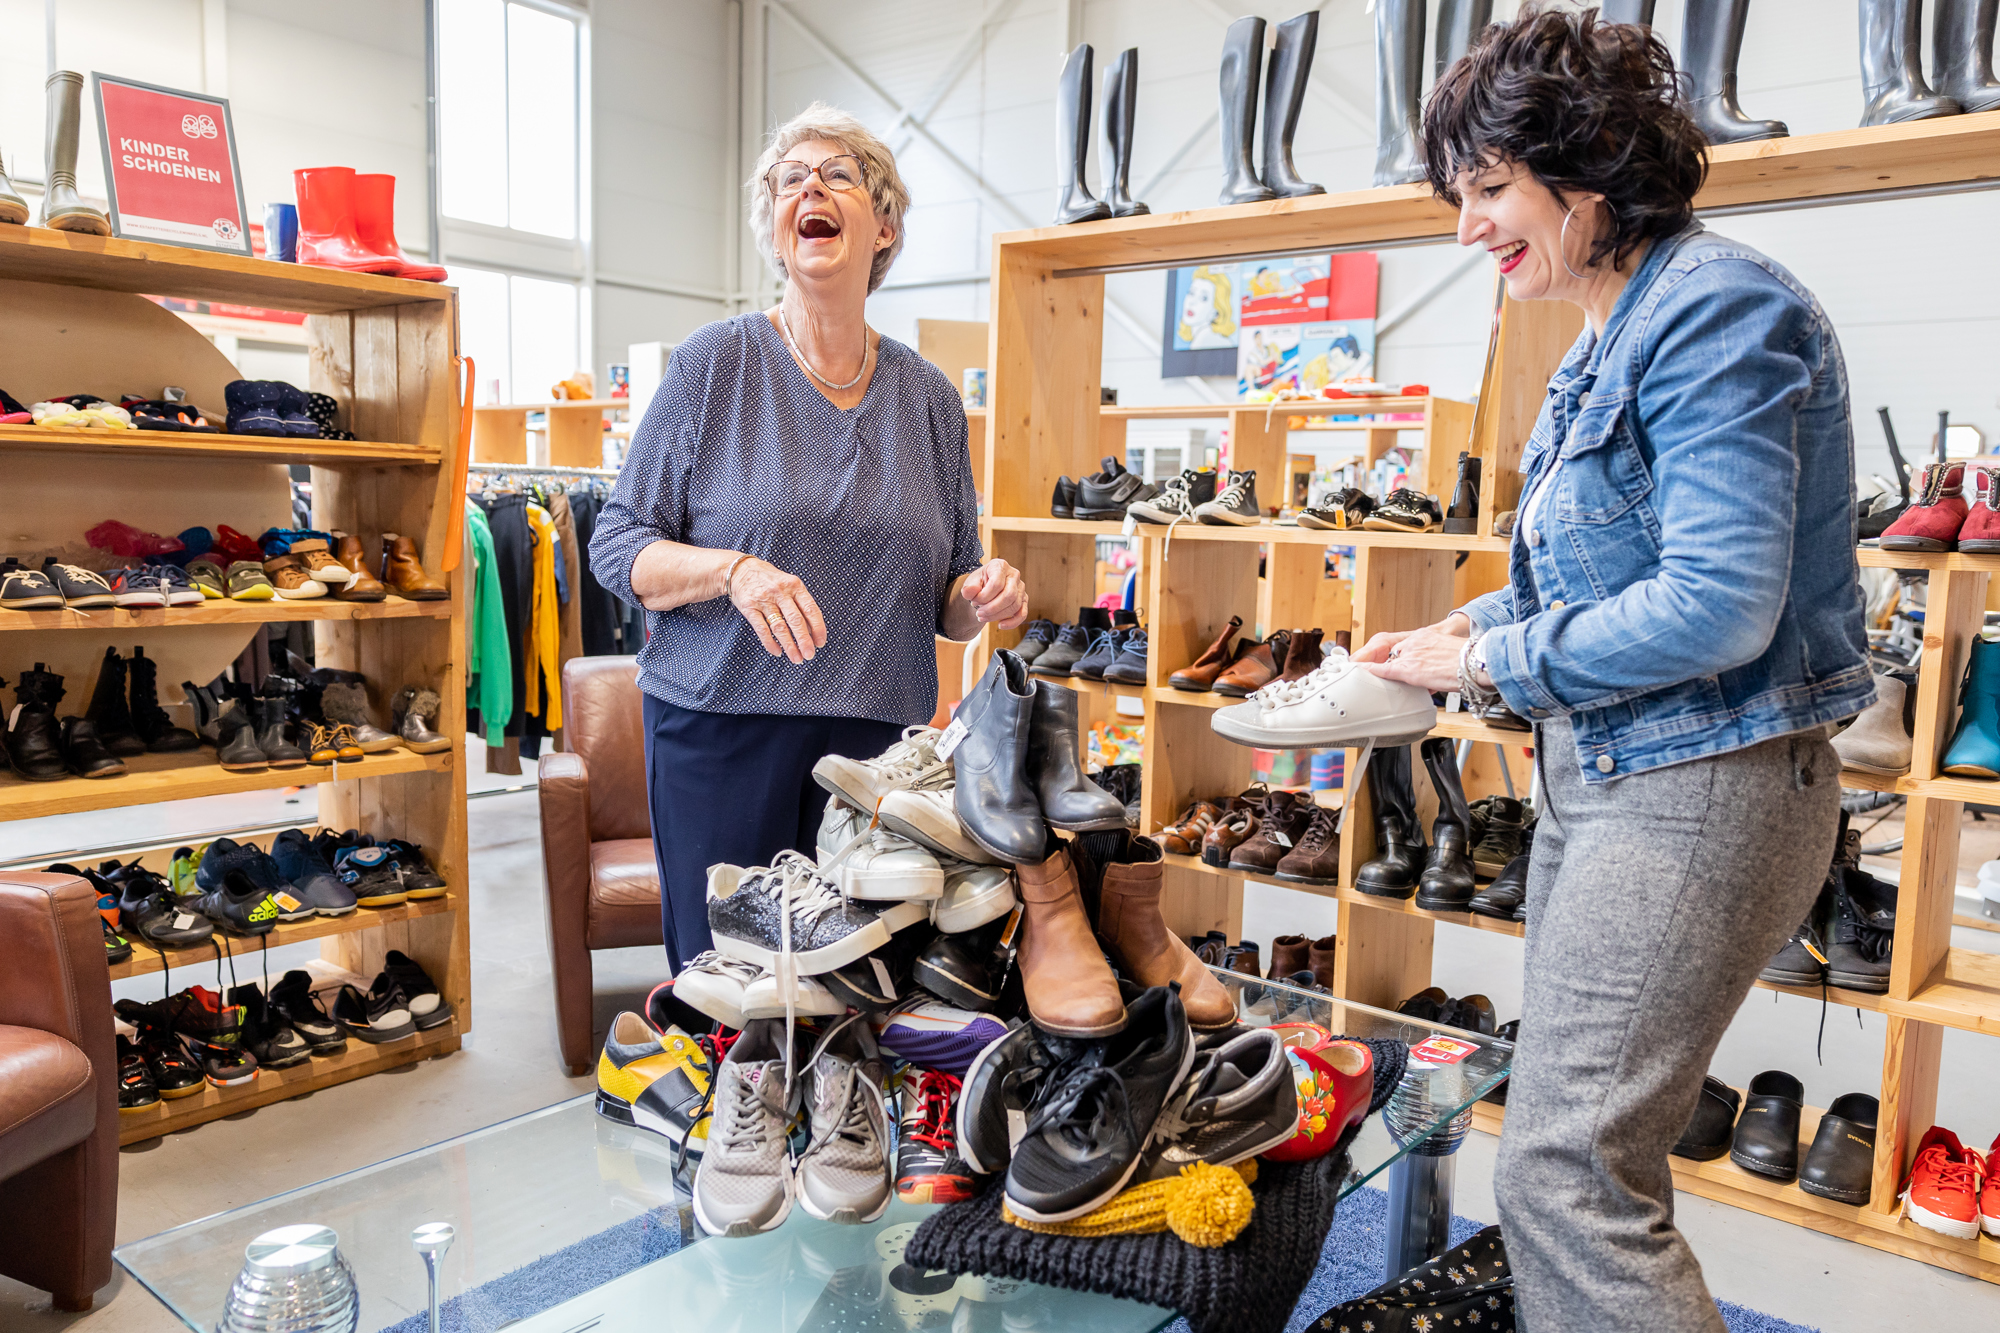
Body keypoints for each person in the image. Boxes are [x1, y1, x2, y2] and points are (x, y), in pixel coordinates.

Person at [1354, 11, 1871, 1331]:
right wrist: (1449, 640)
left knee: (1567, 1171)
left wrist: (1493, 657)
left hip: (1702, 784)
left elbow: (1717, 606)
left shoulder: (1715, 308)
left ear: (1584, 175)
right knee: (1581, 1154)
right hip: (1614, 776)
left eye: (1488, 190)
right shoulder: (1607, 332)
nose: (1466, 228)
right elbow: (1598, 576)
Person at [588, 102, 1028, 972]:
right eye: (790, 180)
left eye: (836, 176)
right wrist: (735, 571)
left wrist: (982, 595)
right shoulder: (715, 364)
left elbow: (949, 598)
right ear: (776, 225)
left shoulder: (930, 399)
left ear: (884, 224)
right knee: (728, 987)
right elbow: (617, 542)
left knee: (862, 989)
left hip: (877, 751)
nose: (810, 191)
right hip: (722, 730)